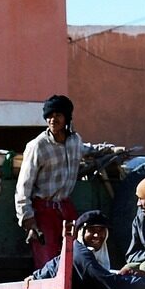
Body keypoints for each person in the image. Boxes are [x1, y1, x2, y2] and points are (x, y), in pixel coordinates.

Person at [15, 94, 86, 269]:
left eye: (58, 115)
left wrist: (109, 151)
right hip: (43, 212)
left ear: (67, 118)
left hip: (66, 209)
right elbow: (23, 186)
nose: (53, 119)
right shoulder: (37, 146)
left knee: (76, 257)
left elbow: (87, 150)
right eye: (49, 115)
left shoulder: (75, 141)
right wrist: (28, 220)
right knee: (48, 264)